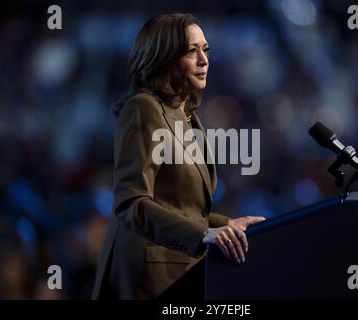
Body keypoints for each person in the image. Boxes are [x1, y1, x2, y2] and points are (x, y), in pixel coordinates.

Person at [91, 13, 265, 300]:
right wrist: (202, 234)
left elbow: (184, 208)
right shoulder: (143, 108)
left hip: (179, 271)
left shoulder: (188, 117)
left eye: (205, 50)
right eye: (191, 51)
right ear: (164, 58)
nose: (203, 60)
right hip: (147, 277)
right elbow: (131, 203)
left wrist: (225, 225)